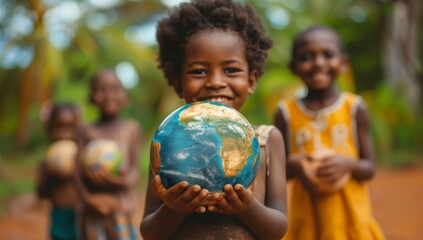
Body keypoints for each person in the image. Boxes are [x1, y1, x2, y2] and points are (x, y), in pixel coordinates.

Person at [140, 0, 288, 239]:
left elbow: (279, 228)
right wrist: (174, 209)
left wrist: (247, 208)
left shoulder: (268, 140)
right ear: (178, 83)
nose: (215, 82)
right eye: (199, 71)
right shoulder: (166, 144)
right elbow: (149, 231)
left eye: (231, 70)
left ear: (251, 81)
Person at [274, 25, 385, 240]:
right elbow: (278, 172)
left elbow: (369, 167)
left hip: (350, 219)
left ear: (344, 63)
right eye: (306, 56)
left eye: (328, 54)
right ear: (293, 66)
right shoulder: (285, 112)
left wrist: (348, 163)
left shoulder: (354, 108)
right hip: (306, 221)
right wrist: (295, 164)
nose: (318, 63)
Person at [75, 69, 142, 240]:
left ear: (125, 96)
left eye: (115, 89)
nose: (108, 95)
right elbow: (76, 172)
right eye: (101, 90)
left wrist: (122, 181)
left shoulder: (132, 129)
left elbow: (135, 169)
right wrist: (87, 199)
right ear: (91, 97)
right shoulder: (85, 131)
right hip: (93, 207)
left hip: (121, 204)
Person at [36, 103, 81, 240]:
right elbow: (41, 193)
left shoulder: (82, 157)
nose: (63, 133)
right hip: (59, 214)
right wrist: (49, 175)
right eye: (57, 127)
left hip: (81, 213)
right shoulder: (46, 161)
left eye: (69, 128)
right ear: (49, 129)